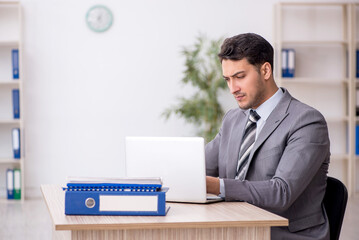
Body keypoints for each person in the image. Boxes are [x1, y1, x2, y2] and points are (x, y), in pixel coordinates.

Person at [205, 33, 330, 240]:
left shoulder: (307, 121)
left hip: (285, 234)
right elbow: (200, 167)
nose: (232, 88)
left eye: (240, 76)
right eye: (227, 79)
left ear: (265, 70)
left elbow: (281, 192)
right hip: (238, 227)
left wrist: (217, 186)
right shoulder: (233, 119)